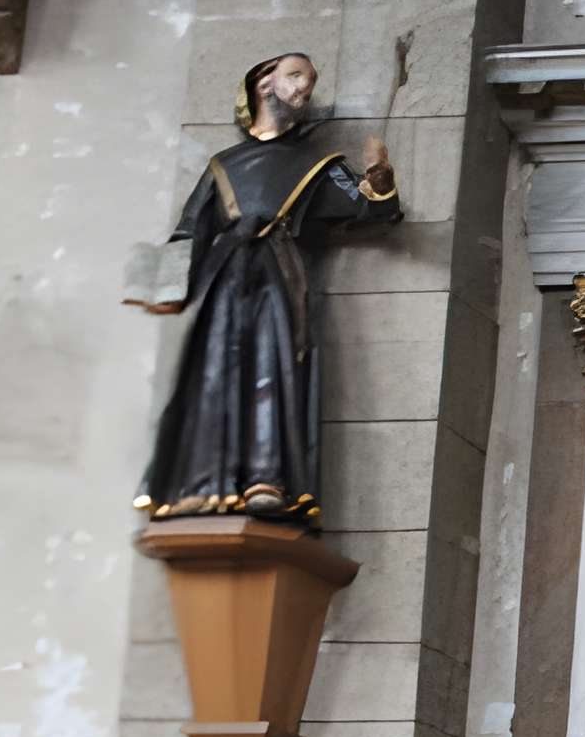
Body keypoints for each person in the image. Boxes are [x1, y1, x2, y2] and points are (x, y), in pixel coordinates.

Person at [133, 53, 399, 525]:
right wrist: (154, 283)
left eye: (310, 82)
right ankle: (202, 479)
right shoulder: (224, 164)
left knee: (270, 369)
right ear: (263, 84)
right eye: (296, 76)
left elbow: (367, 207)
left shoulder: (316, 164)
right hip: (225, 274)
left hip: (277, 273)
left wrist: (379, 182)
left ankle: (266, 477)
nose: (305, 89)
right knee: (214, 370)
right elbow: (189, 230)